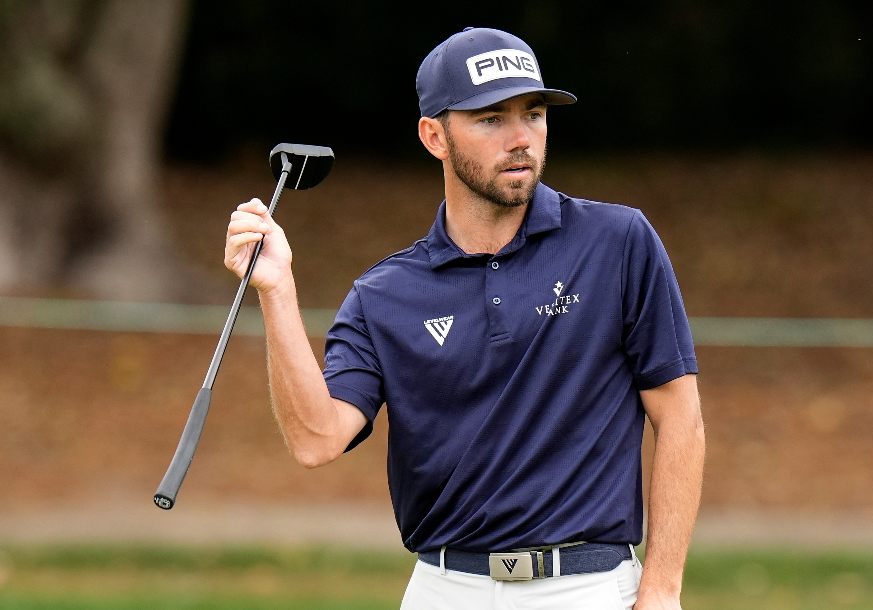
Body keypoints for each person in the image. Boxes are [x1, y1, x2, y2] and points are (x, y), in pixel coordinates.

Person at [225, 26, 705, 610]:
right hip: (444, 589)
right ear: (435, 136)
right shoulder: (384, 294)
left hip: (590, 587)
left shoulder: (618, 241)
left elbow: (680, 417)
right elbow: (316, 439)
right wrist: (277, 291)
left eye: (533, 114)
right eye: (490, 119)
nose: (521, 138)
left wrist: (662, 589)